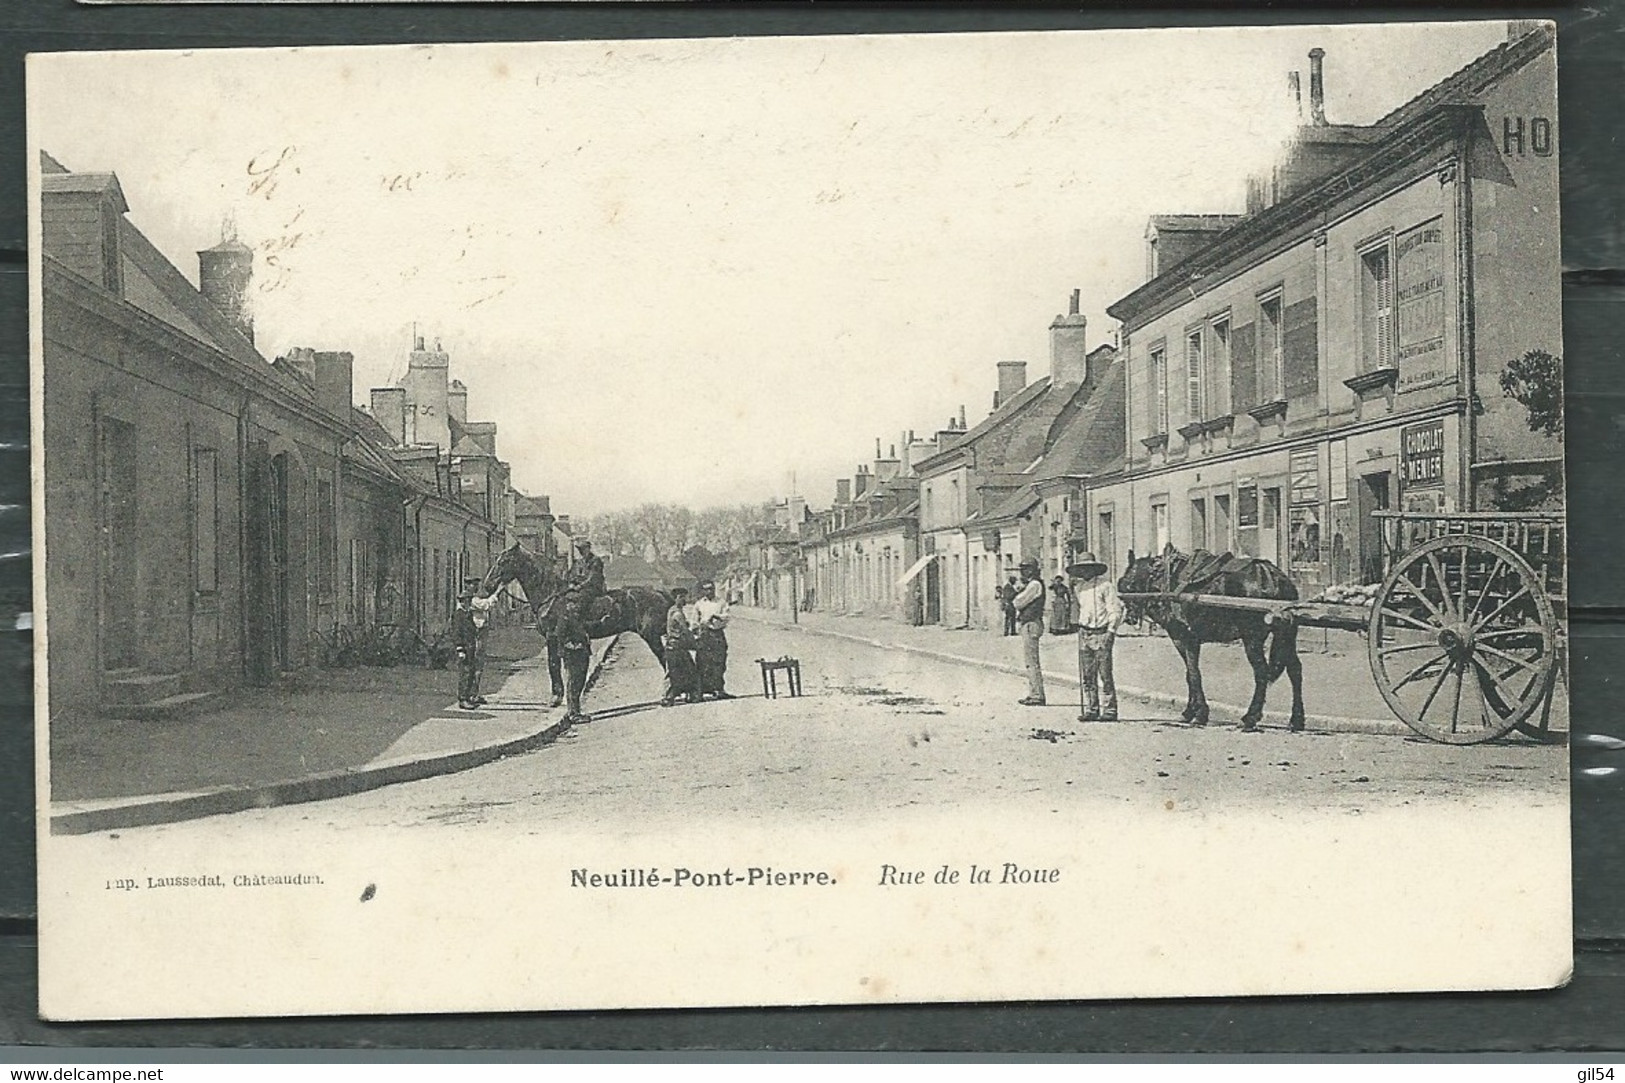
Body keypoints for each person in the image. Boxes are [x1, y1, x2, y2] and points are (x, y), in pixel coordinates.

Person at [1068, 552, 1124, 722]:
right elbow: (1081, 609)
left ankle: (1110, 710)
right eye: (1082, 569)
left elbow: (1115, 610)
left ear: (1094, 569)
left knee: (1105, 673)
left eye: (1088, 568)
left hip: (1101, 632)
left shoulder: (1106, 586)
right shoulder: (1079, 588)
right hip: (1084, 632)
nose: (1085, 572)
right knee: (1087, 674)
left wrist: (1111, 631)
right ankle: (1092, 708)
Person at [452, 584, 497, 710]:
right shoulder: (459, 615)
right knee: (465, 674)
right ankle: (463, 699)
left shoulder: (467, 614)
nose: (468, 604)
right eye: (467, 601)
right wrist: (460, 649)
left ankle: (468, 697)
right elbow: (456, 634)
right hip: (464, 649)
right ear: (462, 602)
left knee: (470, 672)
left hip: (470, 647)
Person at [1013, 559, 1047, 706]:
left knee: (1032, 661)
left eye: (1025, 569)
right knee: (1030, 661)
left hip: (1031, 624)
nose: (1022, 572)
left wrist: (1019, 593)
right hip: (1030, 623)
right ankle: (1034, 692)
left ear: (1031, 570)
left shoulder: (1034, 585)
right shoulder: (1033, 584)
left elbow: (1018, 602)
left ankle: (1037, 695)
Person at [693, 579, 733, 700]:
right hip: (704, 634)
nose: (708, 591)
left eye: (711, 589)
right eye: (706, 589)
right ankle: (700, 691)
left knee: (719, 661)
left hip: (717, 634)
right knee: (702, 662)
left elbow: (726, 617)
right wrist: (698, 628)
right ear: (703, 591)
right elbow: (694, 621)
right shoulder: (699, 604)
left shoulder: (721, 602)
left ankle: (719, 689)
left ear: (714, 589)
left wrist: (716, 616)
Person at [661, 587, 701, 707]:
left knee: (676, 671)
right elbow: (684, 631)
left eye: (685, 597)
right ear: (676, 598)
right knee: (685, 671)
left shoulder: (672, 610)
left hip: (672, 646)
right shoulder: (677, 613)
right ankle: (672, 697)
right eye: (681, 597)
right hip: (677, 646)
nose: (684, 600)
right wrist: (694, 643)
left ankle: (672, 696)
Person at [561, 537, 606, 642]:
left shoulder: (596, 561)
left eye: (584, 549)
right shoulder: (579, 563)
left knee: (581, 601)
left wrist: (579, 586)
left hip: (594, 589)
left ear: (589, 548)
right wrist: (571, 583)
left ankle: (583, 629)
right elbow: (571, 575)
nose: (582, 552)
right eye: (580, 550)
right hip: (580, 588)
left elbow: (593, 578)